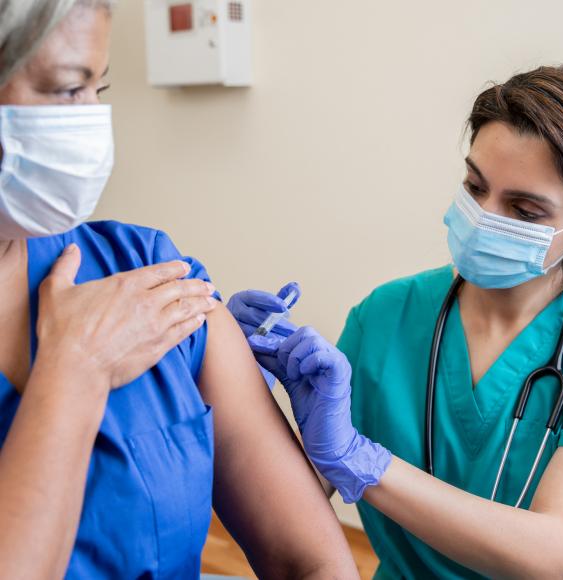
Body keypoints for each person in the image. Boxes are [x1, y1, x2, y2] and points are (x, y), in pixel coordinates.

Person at [0, 1, 360, 578]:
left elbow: (311, 562)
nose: (93, 122)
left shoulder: (141, 270)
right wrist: (75, 371)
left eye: (101, 87)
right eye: (69, 91)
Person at [229, 66, 563, 578]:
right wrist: (232, 383)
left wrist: (363, 462)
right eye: (475, 186)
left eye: (523, 210)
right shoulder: (385, 316)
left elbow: (557, 552)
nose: (482, 217)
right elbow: (288, 507)